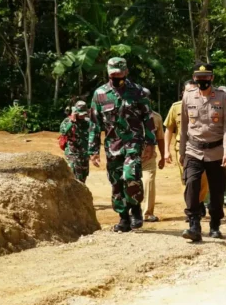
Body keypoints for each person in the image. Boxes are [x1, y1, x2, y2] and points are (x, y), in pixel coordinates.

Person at [88, 57, 157, 232]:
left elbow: (148, 118)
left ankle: (135, 209)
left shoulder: (139, 92)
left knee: (131, 177)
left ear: (126, 72)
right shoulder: (100, 94)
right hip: (112, 146)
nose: (116, 77)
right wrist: (93, 150)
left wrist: (150, 143)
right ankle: (123, 218)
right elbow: (95, 124)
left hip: (133, 143)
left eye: (119, 74)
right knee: (116, 183)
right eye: (112, 74)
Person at [180, 63, 226, 242]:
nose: (202, 81)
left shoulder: (223, 97)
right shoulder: (188, 97)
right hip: (193, 150)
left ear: (212, 78)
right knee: (192, 185)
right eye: (199, 78)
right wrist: (182, 152)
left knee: (217, 190)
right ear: (194, 78)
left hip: (216, 151)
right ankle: (194, 224)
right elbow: (184, 126)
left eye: (206, 77)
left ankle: (215, 224)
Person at [164, 80, 210, 222]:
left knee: (203, 180)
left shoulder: (207, 104)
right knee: (189, 180)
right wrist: (166, 150)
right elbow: (169, 128)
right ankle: (193, 207)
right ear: (183, 93)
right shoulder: (176, 107)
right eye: (187, 91)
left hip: (203, 148)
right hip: (183, 149)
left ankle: (199, 201)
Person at [140, 89, 165, 222]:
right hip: (130, 157)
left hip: (149, 158)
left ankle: (147, 213)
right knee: (130, 184)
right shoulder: (129, 116)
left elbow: (160, 138)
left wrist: (163, 156)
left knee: (148, 182)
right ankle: (132, 212)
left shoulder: (156, 117)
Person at [59, 101, 91, 183]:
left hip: (84, 155)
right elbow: (64, 132)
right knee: (74, 178)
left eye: (84, 113)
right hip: (72, 155)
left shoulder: (88, 122)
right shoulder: (67, 121)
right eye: (80, 113)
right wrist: (72, 121)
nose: (82, 116)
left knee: (83, 177)